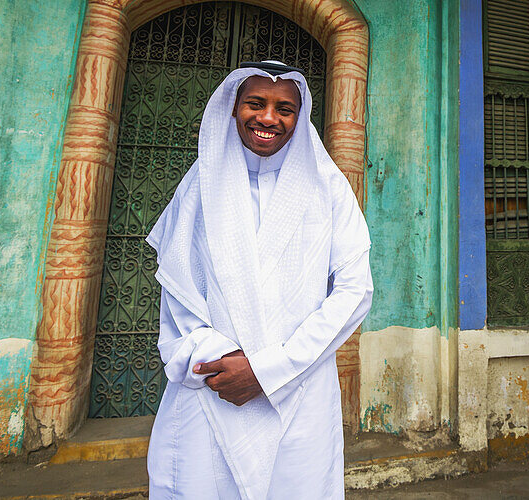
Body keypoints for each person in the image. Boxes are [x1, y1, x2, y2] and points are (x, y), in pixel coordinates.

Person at [145, 61, 372, 499]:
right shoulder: (199, 185)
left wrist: (268, 372)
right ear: (233, 109)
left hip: (298, 392)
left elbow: (354, 289)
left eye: (284, 108)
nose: (268, 118)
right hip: (214, 385)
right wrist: (223, 362)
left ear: (299, 116)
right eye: (256, 103)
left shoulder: (327, 187)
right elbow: (178, 286)